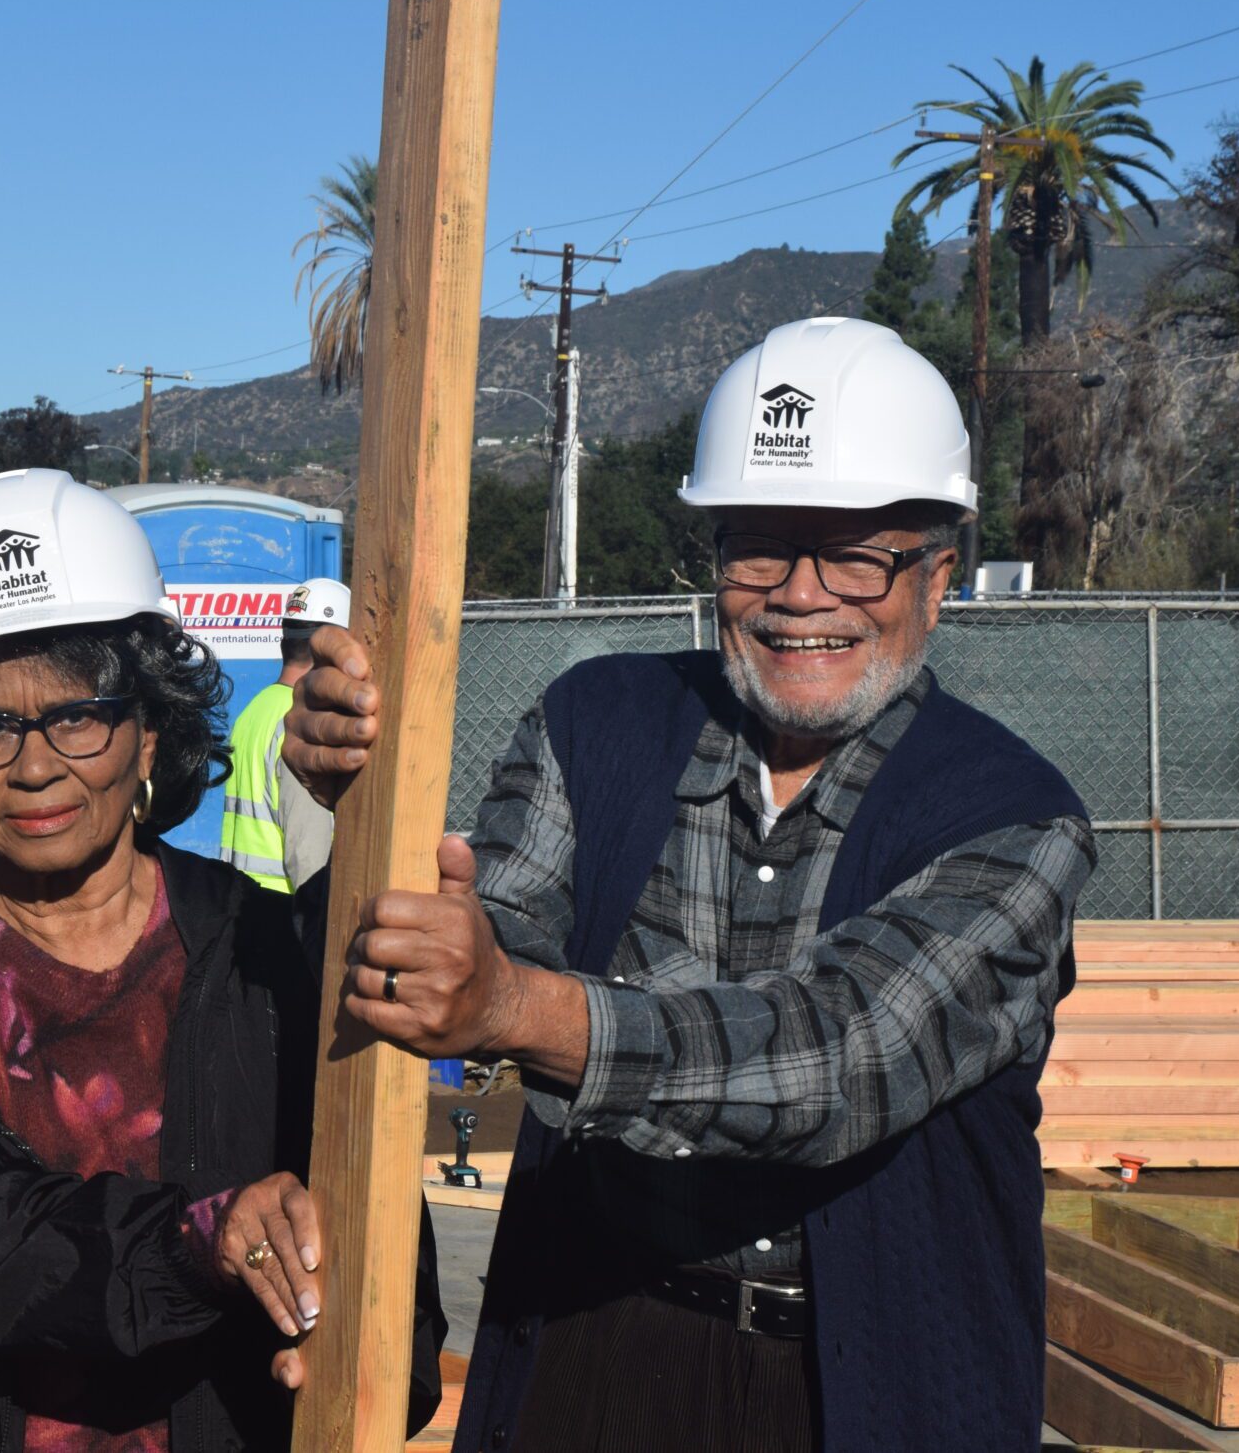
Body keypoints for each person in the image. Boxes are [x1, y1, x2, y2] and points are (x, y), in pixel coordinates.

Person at [287, 316, 1096, 1453]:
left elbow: (835, 1058)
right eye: (758, 546)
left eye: (857, 553)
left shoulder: (1010, 815)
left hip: (871, 1382)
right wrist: (371, 833)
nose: (799, 596)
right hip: (591, 1348)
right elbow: (503, 919)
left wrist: (518, 1007)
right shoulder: (595, 723)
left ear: (938, 575)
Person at [0, 469, 440, 1452]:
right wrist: (202, 1241)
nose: (33, 765)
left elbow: (381, 1224)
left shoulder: (262, 953)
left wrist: (370, 1357)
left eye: (77, 716)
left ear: (150, 733)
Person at [220, 579, 348, 893]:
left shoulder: (257, 708)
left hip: (242, 905)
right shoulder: (307, 726)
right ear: (330, 647)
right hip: (285, 913)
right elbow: (309, 858)